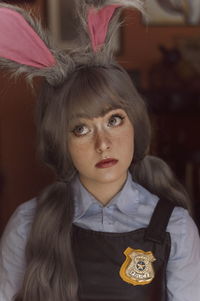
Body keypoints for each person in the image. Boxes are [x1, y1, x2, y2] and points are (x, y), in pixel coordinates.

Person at [0, 1, 200, 301]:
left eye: (114, 120)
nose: (103, 143)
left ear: (136, 124)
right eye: (81, 129)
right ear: (60, 142)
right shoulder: (27, 223)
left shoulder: (176, 226)